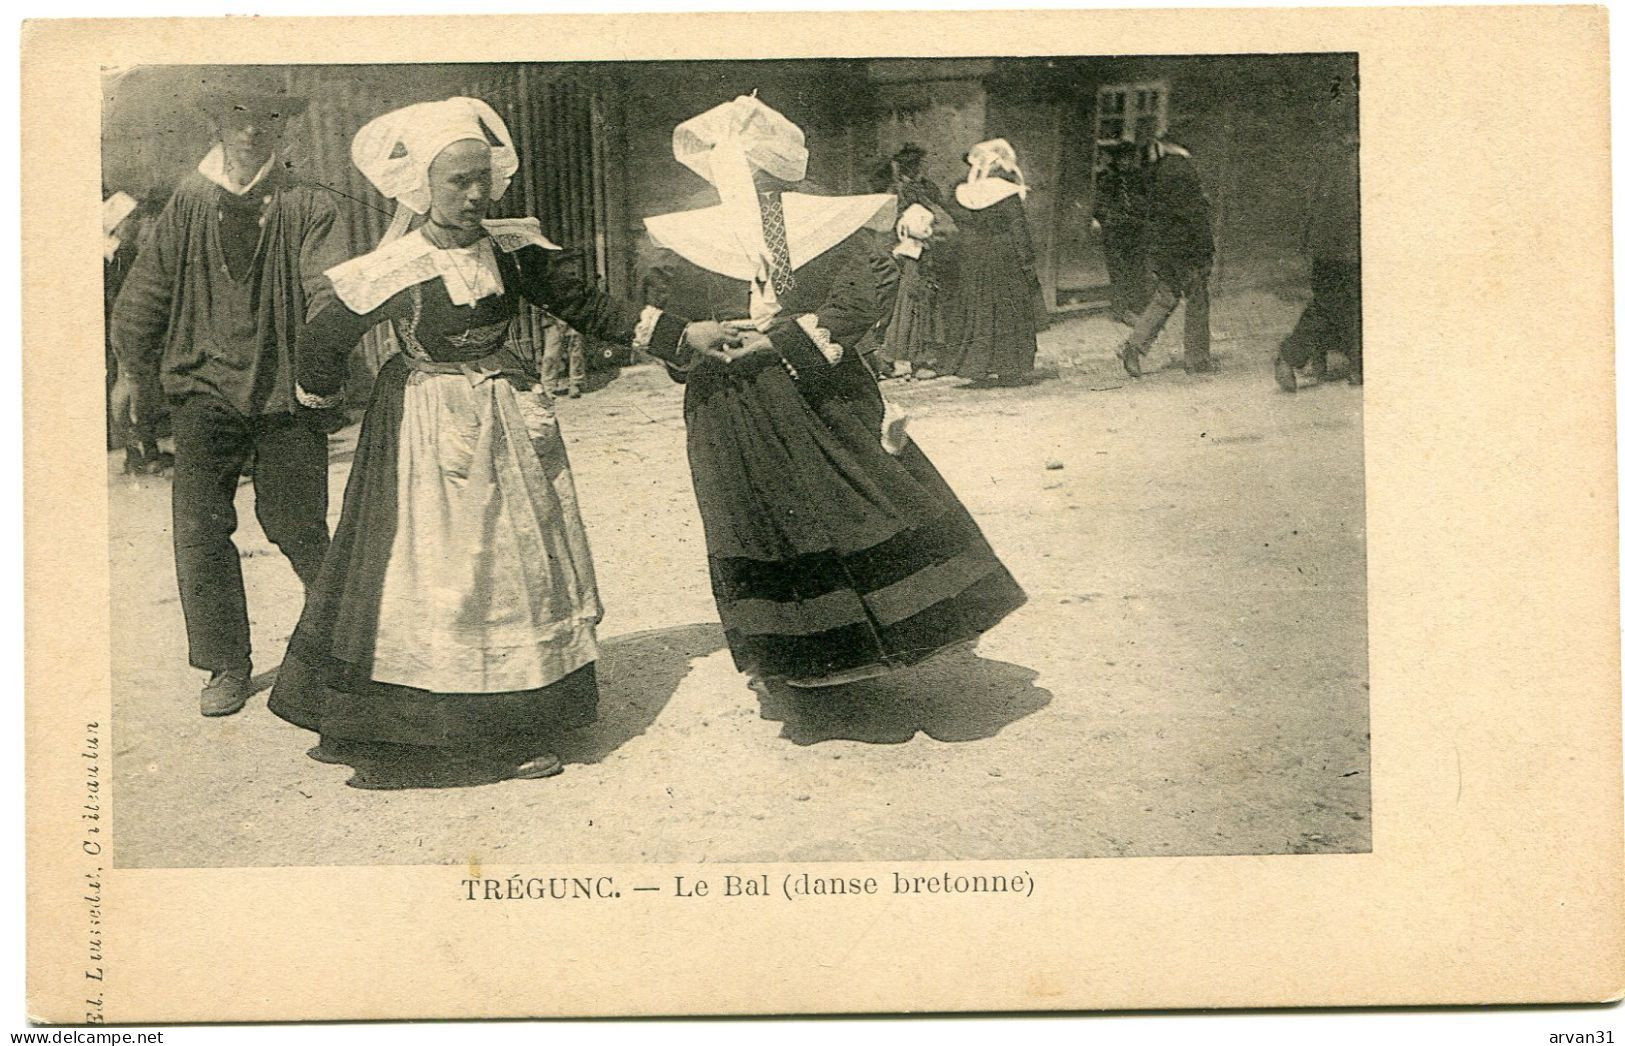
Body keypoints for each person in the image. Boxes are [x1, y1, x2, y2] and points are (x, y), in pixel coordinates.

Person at [266, 97, 729, 783]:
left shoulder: (512, 249)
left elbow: (589, 306)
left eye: (483, 177)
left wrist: (679, 335)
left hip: (504, 420)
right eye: (458, 181)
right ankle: (431, 725)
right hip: (425, 426)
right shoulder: (397, 267)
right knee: (435, 572)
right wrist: (320, 403)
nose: (476, 193)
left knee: (507, 571)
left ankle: (515, 714)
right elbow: (325, 336)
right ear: (421, 186)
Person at [642, 95, 1027, 689]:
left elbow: (869, 285)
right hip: (730, 403)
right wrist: (697, 338)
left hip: (815, 390)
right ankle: (798, 657)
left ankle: (888, 633)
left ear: (775, 167)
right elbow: (671, 304)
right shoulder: (694, 228)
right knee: (756, 517)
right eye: (729, 171)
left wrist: (780, 339)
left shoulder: (819, 215)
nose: (742, 182)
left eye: (751, 170)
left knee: (854, 499)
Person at [110, 73, 344, 717]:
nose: (251, 128)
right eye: (238, 116)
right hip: (204, 388)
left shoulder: (307, 203)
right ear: (216, 124)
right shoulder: (187, 201)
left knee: (297, 522)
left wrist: (320, 365)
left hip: (284, 389)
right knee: (198, 526)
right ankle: (225, 662)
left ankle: (345, 643)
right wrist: (132, 372)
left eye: (266, 116)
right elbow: (145, 294)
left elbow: (326, 289)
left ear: (281, 125)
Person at [941, 138, 1042, 386]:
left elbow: (958, 221)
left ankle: (977, 366)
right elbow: (1019, 229)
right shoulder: (1006, 193)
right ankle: (1009, 366)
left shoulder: (965, 192)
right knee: (1007, 308)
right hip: (1004, 255)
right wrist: (1027, 261)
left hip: (974, 256)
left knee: (979, 307)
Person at [1116, 134, 1215, 377]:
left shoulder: (1160, 170)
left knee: (1165, 297)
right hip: (1187, 249)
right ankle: (1197, 359)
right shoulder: (1184, 170)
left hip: (1165, 247)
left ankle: (1133, 346)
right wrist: (1205, 248)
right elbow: (1194, 217)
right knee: (1197, 300)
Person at [1275, 132, 1361, 390]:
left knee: (1329, 304)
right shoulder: (1357, 163)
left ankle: (1292, 358)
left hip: (1327, 247)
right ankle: (1354, 366)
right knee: (1345, 305)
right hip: (1347, 247)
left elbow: (1311, 204)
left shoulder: (1332, 160)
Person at [104, 191, 173, 475]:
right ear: (120, 224)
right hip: (134, 325)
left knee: (126, 384)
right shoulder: (126, 254)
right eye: (133, 219)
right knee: (138, 387)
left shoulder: (108, 254)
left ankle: (134, 451)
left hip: (119, 326)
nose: (140, 224)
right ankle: (148, 450)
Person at [884, 203, 948, 380]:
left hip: (919, 290)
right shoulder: (913, 251)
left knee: (911, 325)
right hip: (917, 294)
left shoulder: (915, 247)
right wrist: (922, 289)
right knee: (916, 326)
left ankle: (911, 361)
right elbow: (913, 276)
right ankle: (918, 361)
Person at [1091, 140, 1151, 326]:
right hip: (1115, 231)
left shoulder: (1140, 179)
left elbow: (1148, 202)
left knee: (1137, 268)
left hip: (1136, 229)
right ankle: (1120, 309)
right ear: (1116, 161)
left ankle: (1135, 308)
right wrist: (1109, 218)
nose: (1126, 162)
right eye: (1121, 159)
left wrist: (1141, 214)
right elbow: (1099, 206)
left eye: (1129, 159)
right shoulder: (1108, 180)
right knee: (1118, 270)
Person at [541, 312, 588, 398]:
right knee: (551, 355)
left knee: (576, 353)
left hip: (575, 317)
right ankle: (548, 387)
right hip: (554, 320)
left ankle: (576, 384)